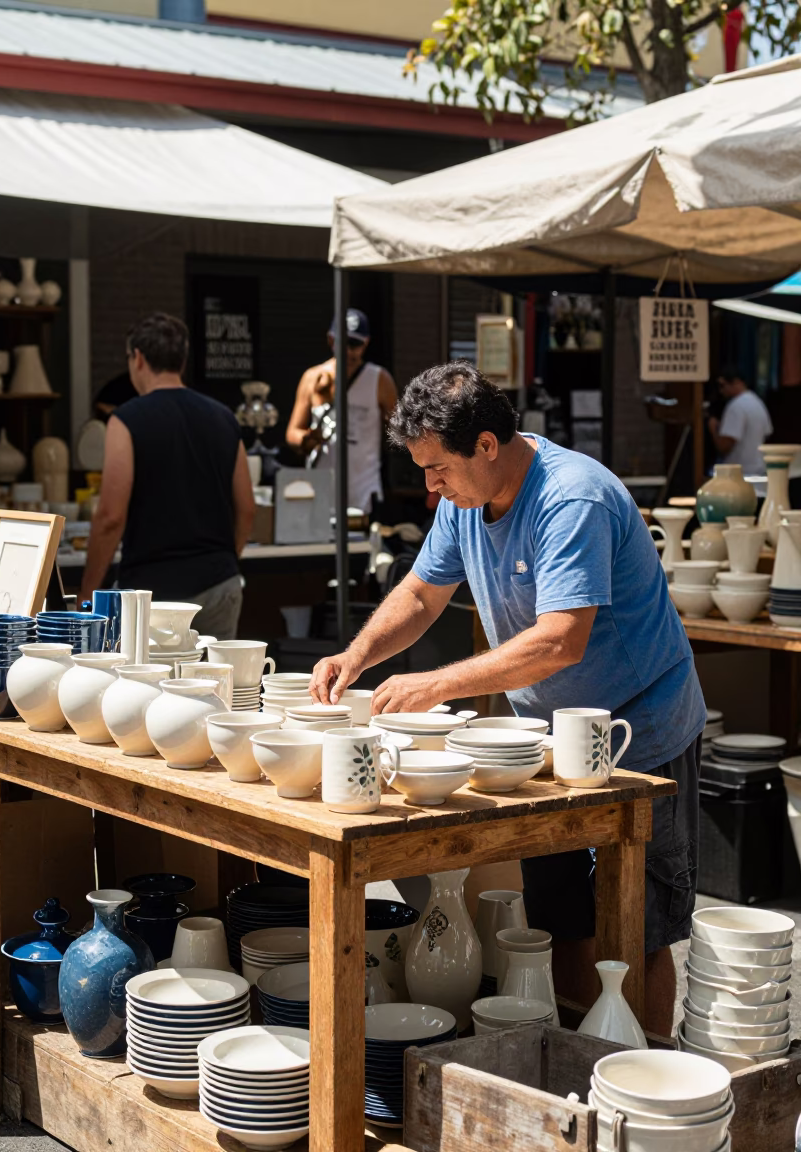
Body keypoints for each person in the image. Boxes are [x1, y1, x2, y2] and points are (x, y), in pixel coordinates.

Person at [310, 361, 705, 1035]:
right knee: (562, 923)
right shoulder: (467, 503)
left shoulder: (569, 498)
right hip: (545, 745)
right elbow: (419, 593)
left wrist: (432, 684)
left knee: (637, 928)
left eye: (439, 470)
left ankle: (647, 1075)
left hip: (642, 736)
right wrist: (358, 654)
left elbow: (560, 641)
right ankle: (584, 1063)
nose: (431, 489)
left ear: (487, 446)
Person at [81, 313, 255, 640]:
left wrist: (87, 592)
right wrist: (224, 561)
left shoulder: (126, 420)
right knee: (215, 688)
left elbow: (110, 517)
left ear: (138, 358)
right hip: (220, 584)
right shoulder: (224, 418)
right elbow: (247, 507)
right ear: (182, 359)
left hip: (151, 594)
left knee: (148, 690)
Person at [285, 308, 398, 514]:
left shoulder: (380, 379)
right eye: (343, 343)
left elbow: (399, 428)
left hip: (364, 487)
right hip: (320, 483)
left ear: (366, 343)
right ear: (331, 340)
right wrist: (307, 439)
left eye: (355, 344)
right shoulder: (313, 377)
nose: (348, 351)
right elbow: (293, 431)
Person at [708, 364, 773, 476]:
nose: (721, 391)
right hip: (758, 469)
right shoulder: (757, 402)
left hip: (739, 473)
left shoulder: (736, 406)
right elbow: (767, 433)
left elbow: (724, 446)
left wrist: (713, 429)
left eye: (722, 385)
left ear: (737, 382)